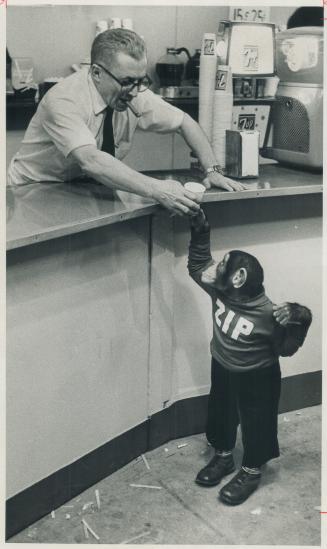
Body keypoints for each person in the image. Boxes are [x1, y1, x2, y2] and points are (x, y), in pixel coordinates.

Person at [7, 29, 244, 217]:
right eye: (127, 81)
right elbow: (91, 160)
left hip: (78, 188)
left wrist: (212, 170)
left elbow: (184, 122)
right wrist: (158, 189)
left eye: (141, 80)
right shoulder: (64, 99)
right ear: (97, 73)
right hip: (29, 190)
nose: (134, 91)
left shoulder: (133, 92)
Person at [187, 208, 312, 505]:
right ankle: (223, 457)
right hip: (223, 364)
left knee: (259, 424)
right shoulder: (221, 290)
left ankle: (252, 470)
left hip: (259, 375)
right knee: (220, 412)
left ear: (239, 278)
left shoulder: (269, 313)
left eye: (222, 267)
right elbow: (197, 265)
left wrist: (300, 317)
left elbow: (287, 349)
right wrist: (200, 231)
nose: (214, 268)